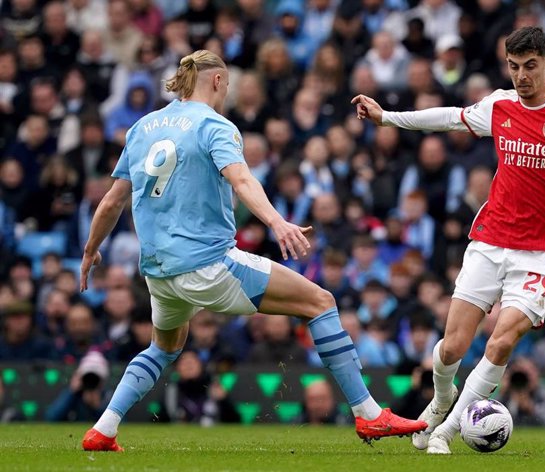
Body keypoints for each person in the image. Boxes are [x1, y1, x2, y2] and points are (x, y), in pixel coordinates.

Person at [80, 49, 426, 452]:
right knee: (320, 302)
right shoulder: (214, 125)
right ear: (217, 81)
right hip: (208, 262)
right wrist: (277, 222)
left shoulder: (141, 127)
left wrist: (90, 250)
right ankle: (369, 414)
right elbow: (242, 180)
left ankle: (103, 429)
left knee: (164, 346)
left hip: (158, 269)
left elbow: (111, 201)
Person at [352, 26, 545, 454]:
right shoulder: (499, 104)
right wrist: (388, 118)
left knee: (501, 341)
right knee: (450, 349)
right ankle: (442, 398)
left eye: (529, 67)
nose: (521, 76)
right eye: (513, 67)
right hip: (491, 241)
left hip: (541, 252)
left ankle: (446, 432)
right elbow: (449, 116)